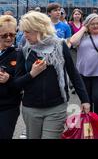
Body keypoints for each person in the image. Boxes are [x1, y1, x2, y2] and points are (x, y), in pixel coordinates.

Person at [16, 11, 90, 139]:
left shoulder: (60, 45)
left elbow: (73, 73)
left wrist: (85, 100)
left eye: (28, 31)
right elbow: (17, 83)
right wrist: (32, 74)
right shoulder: (25, 50)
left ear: (39, 29)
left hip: (56, 107)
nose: (25, 35)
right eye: (24, 31)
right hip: (31, 108)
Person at [69, 14, 98, 116]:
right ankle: (88, 122)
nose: (95, 26)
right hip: (83, 74)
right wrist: (83, 29)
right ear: (87, 25)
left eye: (97, 24)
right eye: (92, 24)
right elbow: (72, 41)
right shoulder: (82, 36)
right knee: (86, 100)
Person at [0, 15, 22, 139]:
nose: (9, 38)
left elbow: (22, 83)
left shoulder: (19, 55)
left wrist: (9, 79)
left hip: (8, 107)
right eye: (4, 35)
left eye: (12, 35)